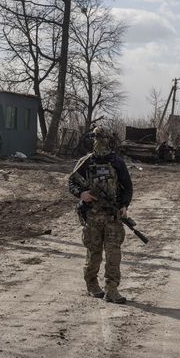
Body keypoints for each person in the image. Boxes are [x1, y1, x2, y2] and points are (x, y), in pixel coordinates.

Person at [68, 125, 134, 304]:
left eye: (104, 138)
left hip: (112, 216)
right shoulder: (86, 162)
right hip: (92, 216)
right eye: (98, 138)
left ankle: (112, 289)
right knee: (94, 252)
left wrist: (124, 206)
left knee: (113, 254)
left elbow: (127, 187)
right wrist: (82, 194)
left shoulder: (117, 162)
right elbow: (71, 182)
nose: (101, 142)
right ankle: (91, 284)